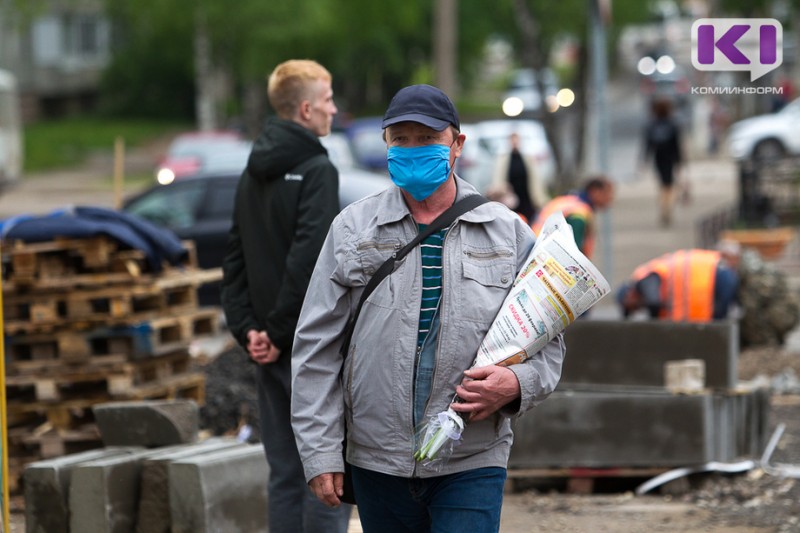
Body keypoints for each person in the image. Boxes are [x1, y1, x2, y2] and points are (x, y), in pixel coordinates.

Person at [291, 84, 565, 532]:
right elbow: (316, 348)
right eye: (401, 139)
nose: (413, 149)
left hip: (471, 456)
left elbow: (549, 344)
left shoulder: (507, 234)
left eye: (427, 139)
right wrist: (320, 451)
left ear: (457, 145)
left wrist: (515, 383)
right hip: (377, 460)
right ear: (386, 145)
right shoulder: (353, 229)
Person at [220, 59, 351, 533]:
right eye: (328, 98)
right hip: (306, 348)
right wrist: (276, 332)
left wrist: (250, 331)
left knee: (283, 472)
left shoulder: (251, 170)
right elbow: (311, 260)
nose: (334, 109)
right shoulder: (318, 168)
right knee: (326, 473)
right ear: (305, 108)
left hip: (265, 348)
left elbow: (233, 257)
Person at [616, 244, 740, 322]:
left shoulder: (643, 279)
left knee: (719, 329)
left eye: (631, 308)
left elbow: (653, 302)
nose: (636, 310)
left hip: (714, 277)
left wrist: (654, 326)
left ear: (629, 295)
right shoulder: (648, 276)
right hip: (711, 284)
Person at [529, 176, 614, 260]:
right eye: (607, 193)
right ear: (595, 191)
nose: (610, 198)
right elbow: (573, 249)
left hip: (536, 246)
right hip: (544, 253)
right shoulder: (579, 212)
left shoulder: (572, 200)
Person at [486, 132, 550, 222]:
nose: (514, 143)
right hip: (510, 199)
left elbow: (536, 179)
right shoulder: (502, 159)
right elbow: (498, 179)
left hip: (526, 197)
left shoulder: (528, 158)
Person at [641, 98, 684, 227]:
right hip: (670, 158)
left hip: (658, 158)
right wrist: (679, 161)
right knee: (669, 186)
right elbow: (677, 145)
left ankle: (664, 206)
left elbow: (648, 144)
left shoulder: (651, 125)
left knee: (662, 185)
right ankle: (667, 207)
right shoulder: (673, 124)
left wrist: (645, 160)